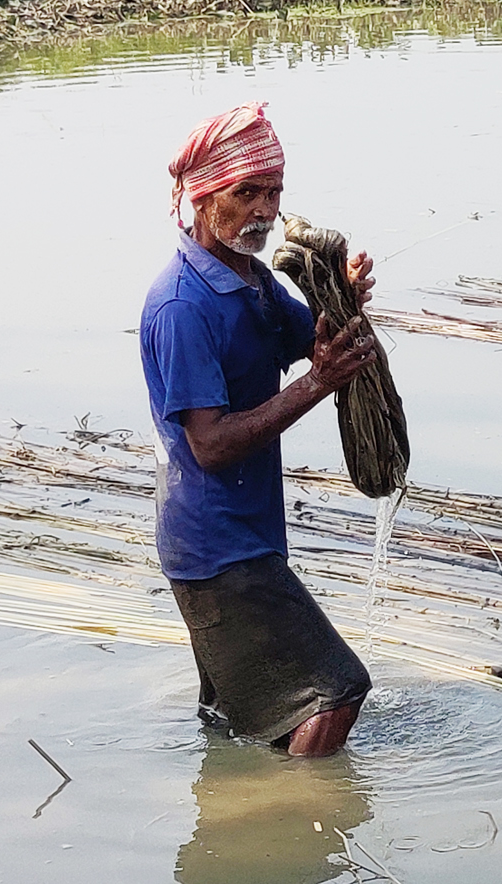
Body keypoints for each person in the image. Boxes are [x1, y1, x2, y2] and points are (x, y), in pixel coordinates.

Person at [141, 102, 379, 757]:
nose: (264, 211)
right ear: (201, 196)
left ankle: (234, 839)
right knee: (335, 690)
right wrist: (317, 385)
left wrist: (341, 296)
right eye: (246, 192)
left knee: (241, 721)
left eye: (273, 193)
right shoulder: (183, 306)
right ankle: (290, 828)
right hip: (217, 551)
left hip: (241, 536)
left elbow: (312, 338)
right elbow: (210, 446)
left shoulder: (250, 280)